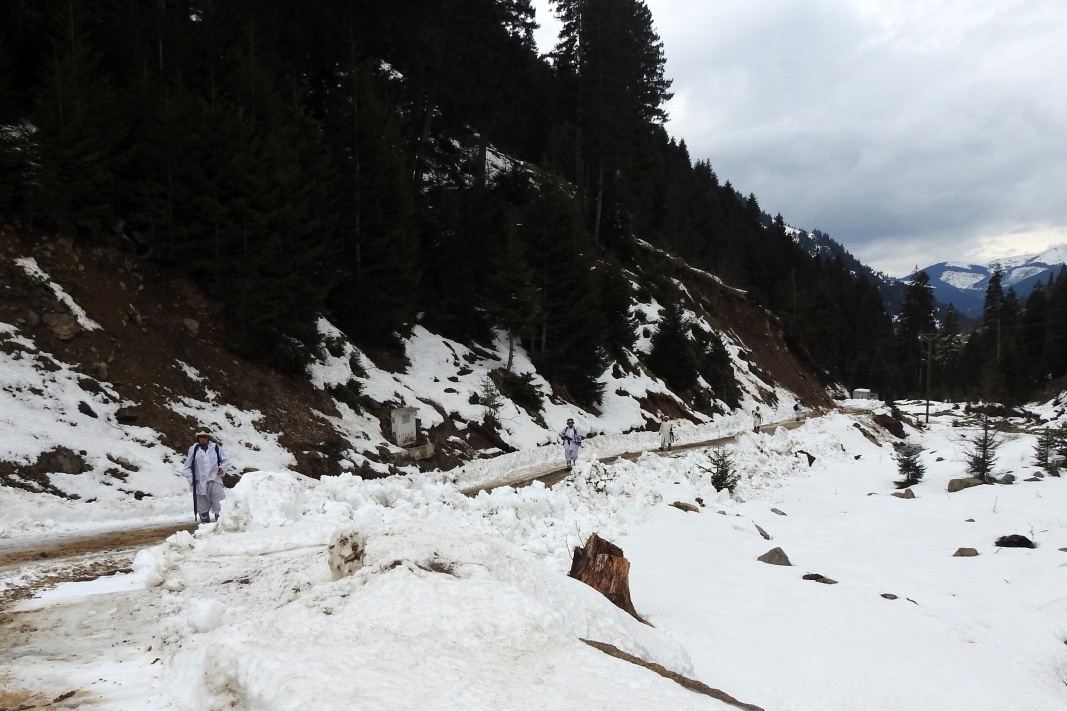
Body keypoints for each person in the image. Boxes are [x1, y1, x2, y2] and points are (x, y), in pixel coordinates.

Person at [182, 429, 231, 523]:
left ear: (208, 438)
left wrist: (222, 468)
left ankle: (221, 525)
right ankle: (205, 527)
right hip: (200, 483)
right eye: (200, 437)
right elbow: (187, 468)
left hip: (215, 481)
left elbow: (226, 461)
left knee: (220, 505)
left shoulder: (216, 448)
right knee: (202, 507)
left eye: (204, 437)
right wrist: (191, 479)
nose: (202, 439)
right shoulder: (194, 450)